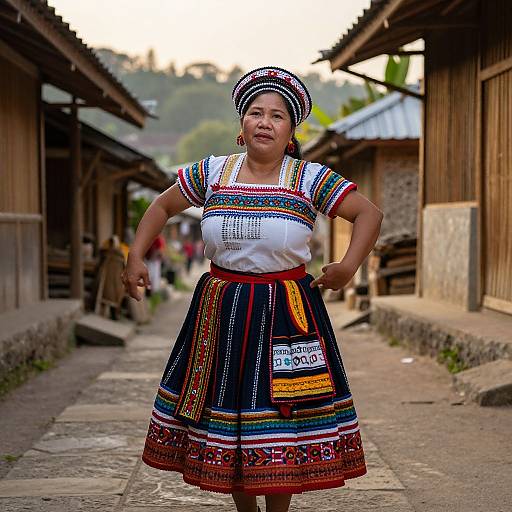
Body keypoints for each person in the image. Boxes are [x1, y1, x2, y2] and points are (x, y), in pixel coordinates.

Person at [121, 66, 383, 512]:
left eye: (277, 116)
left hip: (286, 313)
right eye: (255, 113)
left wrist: (348, 266)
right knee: (231, 417)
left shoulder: (309, 179)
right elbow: (162, 205)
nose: (265, 122)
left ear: (291, 130)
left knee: (281, 415)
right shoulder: (213, 173)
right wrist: (134, 256)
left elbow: (369, 214)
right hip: (222, 312)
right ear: (241, 126)